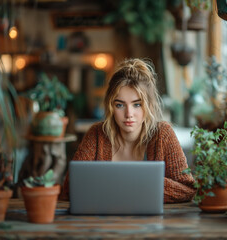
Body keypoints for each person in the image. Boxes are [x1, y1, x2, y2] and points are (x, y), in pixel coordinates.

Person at [61, 58, 196, 203]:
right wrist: (139, 186)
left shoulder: (163, 134)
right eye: (120, 105)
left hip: (152, 224)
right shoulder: (97, 134)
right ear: (111, 107)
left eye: (137, 105)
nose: (128, 114)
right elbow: (70, 189)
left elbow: (187, 189)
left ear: (149, 106)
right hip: (104, 222)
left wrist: (133, 184)